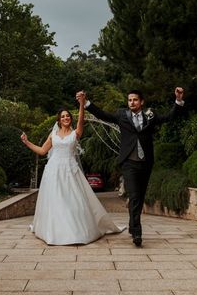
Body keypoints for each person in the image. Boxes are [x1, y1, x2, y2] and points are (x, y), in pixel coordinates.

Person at [78, 87, 185, 247]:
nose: (132, 102)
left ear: (141, 102)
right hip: (129, 162)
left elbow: (168, 118)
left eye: (135, 100)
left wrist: (178, 100)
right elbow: (103, 115)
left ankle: (132, 224)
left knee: (140, 196)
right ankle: (137, 233)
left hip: (146, 162)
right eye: (129, 100)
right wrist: (86, 103)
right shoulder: (122, 115)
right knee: (134, 195)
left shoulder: (150, 115)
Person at [20, 95, 124, 245]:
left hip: (70, 171)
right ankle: (53, 231)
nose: (66, 118)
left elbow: (81, 120)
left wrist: (82, 104)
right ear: (59, 120)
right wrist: (27, 142)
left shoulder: (76, 133)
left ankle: (75, 231)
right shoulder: (53, 134)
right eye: (63, 116)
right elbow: (42, 151)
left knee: (73, 201)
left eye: (68, 116)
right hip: (53, 171)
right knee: (55, 201)